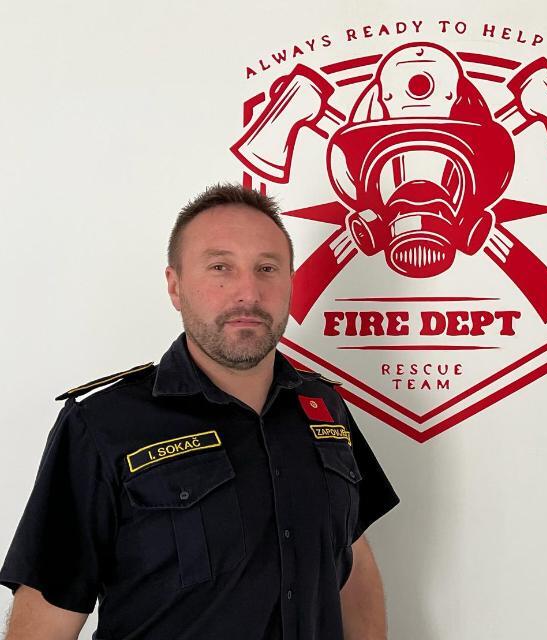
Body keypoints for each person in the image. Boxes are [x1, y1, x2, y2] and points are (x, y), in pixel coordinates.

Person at [0, 183, 400, 639]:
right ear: (175, 286)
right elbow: (46, 616)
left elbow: (352, 560)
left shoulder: (325, 407)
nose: (248, 292)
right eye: (220, 267)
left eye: (267, 268)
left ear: (290, 282)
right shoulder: (102, 424)